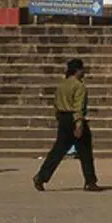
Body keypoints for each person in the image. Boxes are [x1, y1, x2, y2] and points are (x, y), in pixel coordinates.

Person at [33, 58, 99, 192]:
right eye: (82, 69)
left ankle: (41, 176)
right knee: (85, 151)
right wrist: (79, 123)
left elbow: (56, 104)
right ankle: (90, 181)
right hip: (74, 119)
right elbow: (78, 106)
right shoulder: (79, 85)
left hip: (63, 118)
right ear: (78, 70)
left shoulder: (62, 84)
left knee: (57, 151)